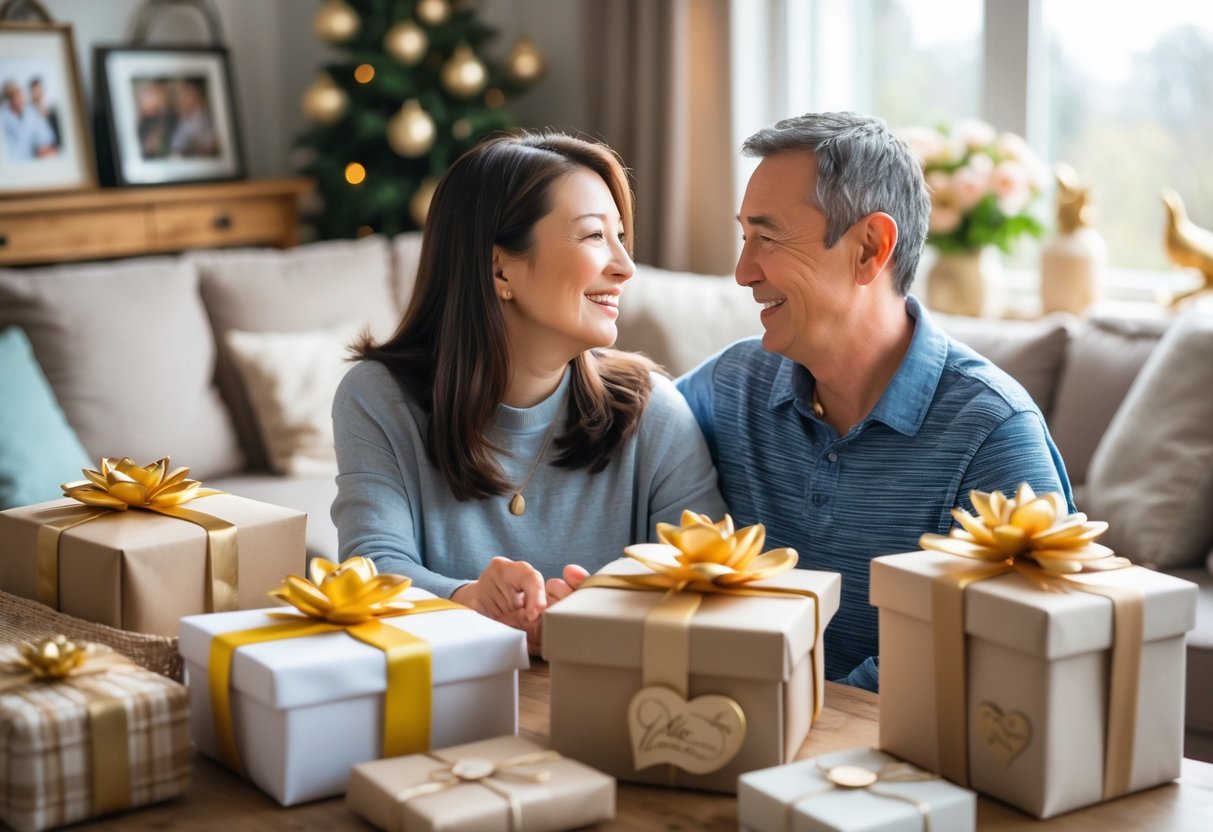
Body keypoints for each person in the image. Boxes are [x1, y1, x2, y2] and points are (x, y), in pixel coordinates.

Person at [676, 112, 1072, 692]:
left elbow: (1013, 658)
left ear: (870, 248)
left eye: (767, 237)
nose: (742, 272)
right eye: (744, 238)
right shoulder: (735, 382)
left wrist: (796, 712)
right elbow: (615, 426)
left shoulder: (993, 434)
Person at [332, 132, 726, 652]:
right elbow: (371, 566)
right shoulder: (378, 398)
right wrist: (470, 599)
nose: (625, 266)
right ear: (500, 268)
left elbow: (712, 583)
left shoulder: (653, 410)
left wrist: (603, 613)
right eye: (593, 236)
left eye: (621, 236)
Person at [1, 78, 57, 161]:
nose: (18, 97)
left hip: (32, 164)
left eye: (19, 92)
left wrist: (45, 149)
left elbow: (45, 140)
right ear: (7, 99)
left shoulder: (31, 113)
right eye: (12, 94)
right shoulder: (3, 117)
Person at [169, 77, 217, 157]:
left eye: (189, 94)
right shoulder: (183, 120)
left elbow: (209, 144)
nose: (183, 100)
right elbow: (176, 143)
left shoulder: (202, 115)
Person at [28, 77, 60, 149]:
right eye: (34, 91)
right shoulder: (29, 114)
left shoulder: (53, 111)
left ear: (42, 90)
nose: (36, 93)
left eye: (38, 90)